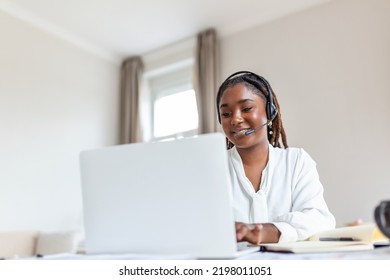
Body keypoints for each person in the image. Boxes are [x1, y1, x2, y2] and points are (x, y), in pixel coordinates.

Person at [216, 71, 335, 245]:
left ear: (270, 112)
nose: (236, 119)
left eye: (247, 108)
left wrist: (265, 232)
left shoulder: (296, 161)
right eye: (226, 114)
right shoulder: (213, 167)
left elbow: (319, 220)